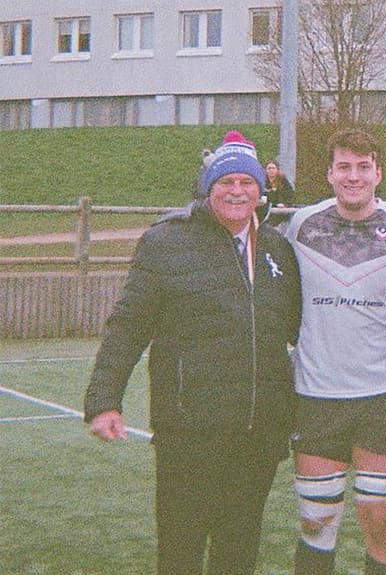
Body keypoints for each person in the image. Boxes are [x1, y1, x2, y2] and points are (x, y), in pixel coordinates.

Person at [84, 130, 302, 575]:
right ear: (209, 188)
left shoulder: (278, 248)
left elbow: (296, 329)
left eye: (247, 182)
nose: (237, 191)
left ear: (262, 189)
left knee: (238, 552)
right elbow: (128, 325)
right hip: (190, 434)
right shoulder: (168, 241)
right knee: (181, 552)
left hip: (257, 435)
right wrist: (104, 400)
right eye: (227, 182)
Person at [284, 128, 386, 575]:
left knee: (381, 525)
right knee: (316, 525)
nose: (353, 176)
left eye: (363, 166)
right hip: (316, 396)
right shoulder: (300, 226)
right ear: (329, 173)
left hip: (381, 396)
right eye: (344, 166)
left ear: (378, 172)